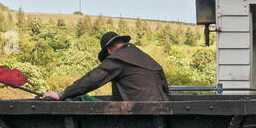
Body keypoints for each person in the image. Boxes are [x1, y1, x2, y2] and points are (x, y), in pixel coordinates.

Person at [42, 31, 170, 101]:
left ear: (108, 51)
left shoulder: (118, 58)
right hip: (163, 107)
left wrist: (61, 95)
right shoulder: (143, 56)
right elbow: (164, 86)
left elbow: (92, 79)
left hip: (142, 113)